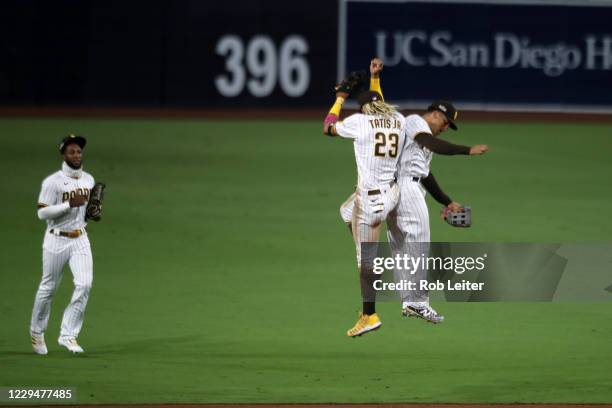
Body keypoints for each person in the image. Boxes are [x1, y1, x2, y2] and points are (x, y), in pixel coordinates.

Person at [324, 59, 407, 337]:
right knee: (346, 211)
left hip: (372, 204)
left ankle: (369, 314)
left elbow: (328, 126)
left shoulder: (359, 122)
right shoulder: (397, 120)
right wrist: (375, 80)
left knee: (365, 263)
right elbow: (378, 103)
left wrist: (339, 98)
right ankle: (370, 248)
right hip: (391, 194)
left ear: (363, 109)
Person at [387, 101, 488, 323]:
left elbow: (425, 176)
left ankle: (409, 301)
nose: (444, 128)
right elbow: (430, 143)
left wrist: (447, 201)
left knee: (402, 247)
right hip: (405, 189)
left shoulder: (423, 143)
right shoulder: (415, 122)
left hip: (397, 190)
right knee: (419, 244)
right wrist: (466, 150)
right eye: (445, 122)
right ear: (434, 114)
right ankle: (418, 302)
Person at [30, 134, 98, 354]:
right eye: (72, 151)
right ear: (63, 154)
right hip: (56, 239)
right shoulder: (53, 182)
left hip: (80, 238)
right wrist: (68, 204)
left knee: (84, 284)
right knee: (49, 288)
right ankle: (37, 332)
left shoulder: (89, 179)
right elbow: (42, 212)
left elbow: (86, 212)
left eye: (79, 151)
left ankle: (68, 335)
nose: (77, 155)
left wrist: (93, 213)